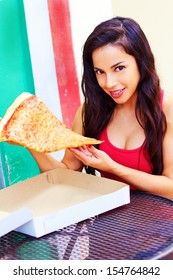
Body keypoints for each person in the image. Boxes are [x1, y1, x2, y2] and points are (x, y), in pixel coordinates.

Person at [29, 16, 173, 200]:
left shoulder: (168, 110)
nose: (110, 83)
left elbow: (171, 187)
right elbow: (64, 176)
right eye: (100, 72)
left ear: (141, 62)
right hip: (109, 226)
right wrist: (30, 143)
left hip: (161, 226)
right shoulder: (89, 113)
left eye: (119, 68)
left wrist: (113, 168)